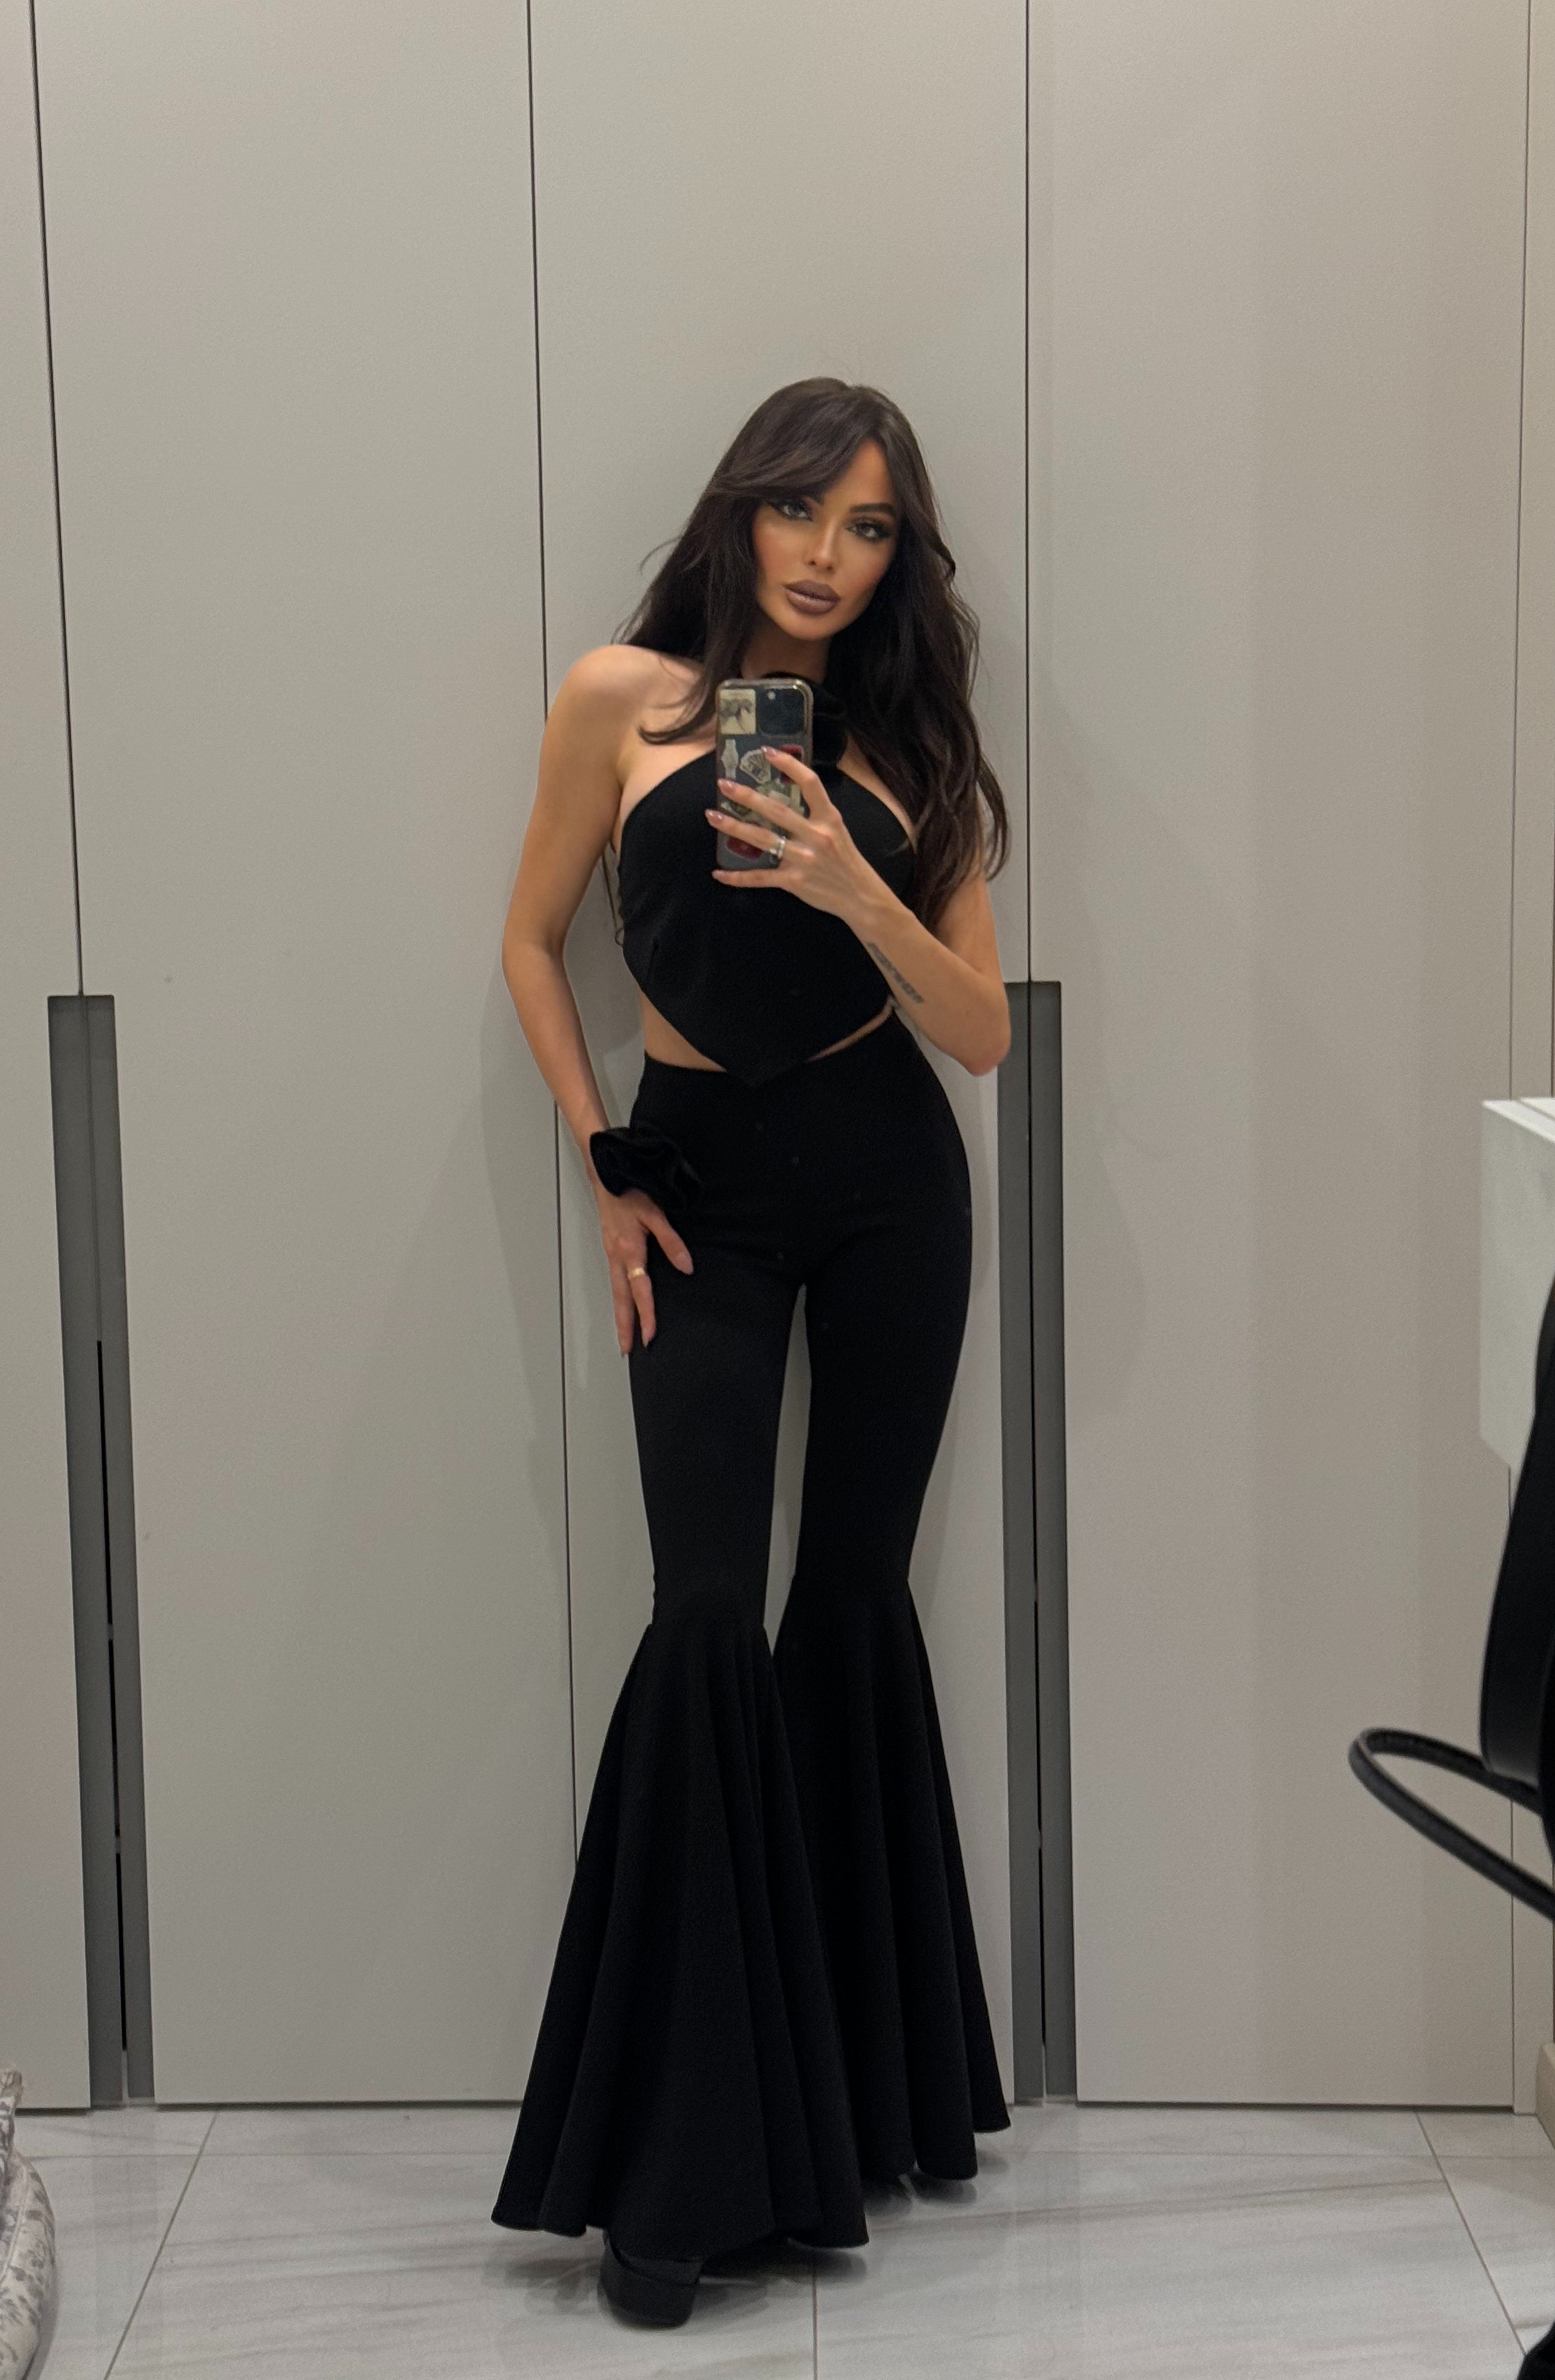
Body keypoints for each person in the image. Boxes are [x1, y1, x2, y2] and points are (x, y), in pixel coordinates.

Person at [493, 377, 1012, 2326]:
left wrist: (852, 880)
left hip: (889, 1184)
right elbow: (533, 942)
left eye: (870, 529)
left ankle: (854, 2107)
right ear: (743, 511)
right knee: (705, 1611)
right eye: (806, 511)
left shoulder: (909, 740)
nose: (828, 556)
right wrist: (605, 1163)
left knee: (850, 1601)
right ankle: (681, 2168)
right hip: (698, 1178)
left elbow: (981, 1033)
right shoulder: (617, 701)